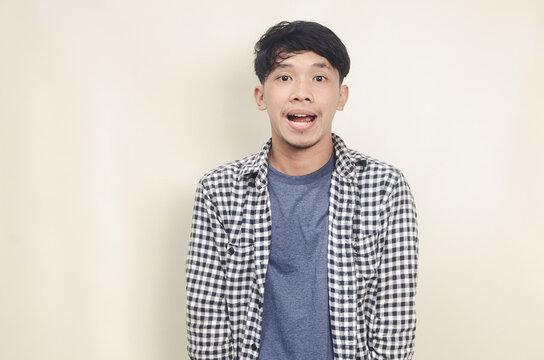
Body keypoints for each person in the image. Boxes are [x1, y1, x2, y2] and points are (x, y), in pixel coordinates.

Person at [186, 20, 418, 360]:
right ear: (260, 95)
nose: (302, 92)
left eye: (320, 78)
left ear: (341, 96)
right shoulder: (219, 191)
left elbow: (394, 327)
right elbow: (206, 324)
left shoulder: (384, 189)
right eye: (284, 77)